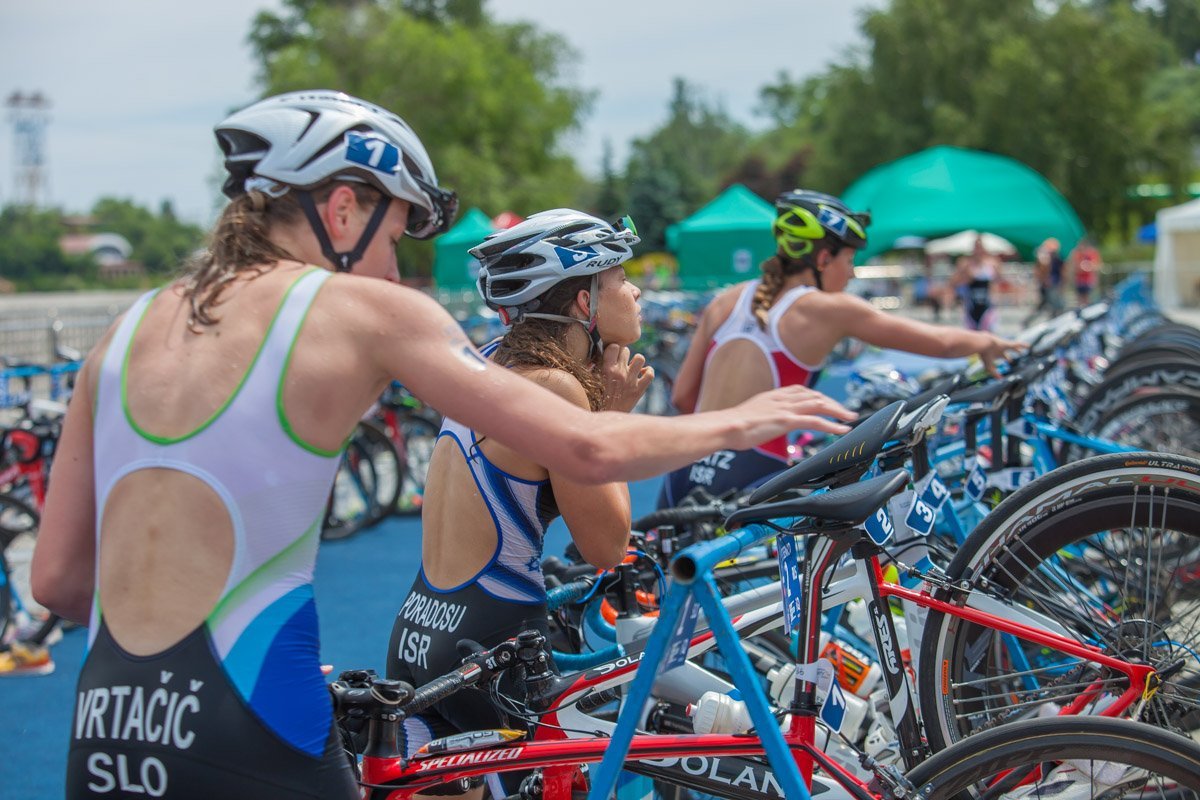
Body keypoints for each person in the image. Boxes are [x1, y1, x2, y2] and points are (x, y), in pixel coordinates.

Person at [29, 91, 853, 800]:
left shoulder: (124, 332)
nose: (393, 270)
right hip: (256, 714)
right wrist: (744, 419)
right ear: (341, 209)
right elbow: (589, 452)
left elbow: (60, 582)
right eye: (394, 238)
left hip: (104, 726)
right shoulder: (358, 311)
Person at [386, 208, 656, 796]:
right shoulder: (553, 387)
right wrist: (609, 420)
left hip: (419, 630)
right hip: (493, 641)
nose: (636, 291)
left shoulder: (488, 362)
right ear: (584, 303)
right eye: (620, 279)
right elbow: (606, 545)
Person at [659, 189, 1023, 508]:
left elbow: (682, 396)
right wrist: (987, 342)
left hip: (684, 468)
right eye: (849, 261)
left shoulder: (727, 300)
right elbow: (938, 341)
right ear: (822, 259)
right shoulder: (826, 308)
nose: (851, 274)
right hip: (754, 472)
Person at [950, 236, 1003, 332]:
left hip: (988, 303)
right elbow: (953, 282)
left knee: (989, 333)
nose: (978, 250)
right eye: (976, 247)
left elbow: (999, 281)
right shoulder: (965, 263)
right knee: (972, 335)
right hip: (971, 304)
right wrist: (966, 278)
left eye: (980, 247)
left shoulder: (992, 262)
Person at [1024, 237, 1066, 325]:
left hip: (1052, 283)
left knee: (1048, 305)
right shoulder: (1046, 257)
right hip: (1049, 284)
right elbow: (1043, 270)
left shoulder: (1055, 257)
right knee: (1054, 305)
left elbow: (1061, 271)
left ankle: (1029, 321)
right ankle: (1052, 322)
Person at [1071, 238, 1102, 306]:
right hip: (1079, 281)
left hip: (1088, 281)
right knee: (1080, 300)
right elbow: (1075, 267)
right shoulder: (1077, 254)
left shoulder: (1091, 254)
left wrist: (1088, 267)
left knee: (1089, 300)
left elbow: (1096, 266)